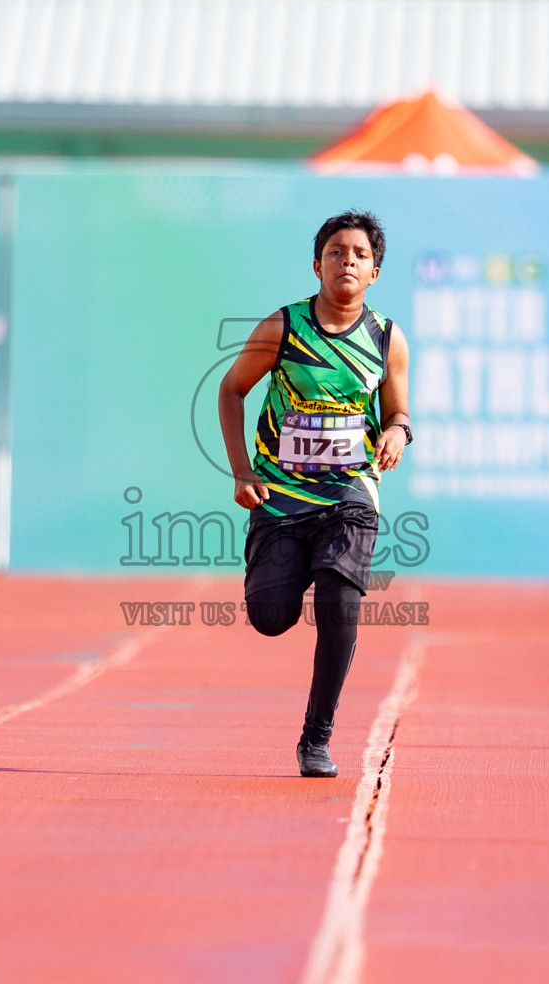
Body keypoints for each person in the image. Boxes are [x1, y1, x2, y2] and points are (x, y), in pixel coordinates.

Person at [218, 210, 412, 778]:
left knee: (341, 600)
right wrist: (241, 472)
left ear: (374, 271)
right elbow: (231, 391)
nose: (346, 261)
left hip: (351, 487)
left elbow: (397, 409)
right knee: (270, 616)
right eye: (335, 252)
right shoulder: (283, 327)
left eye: (357, 254)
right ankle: (299, 563)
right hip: (280, 492)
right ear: (317, 265)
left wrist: (398, 430)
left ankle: (316, 738)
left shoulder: (387, 338)